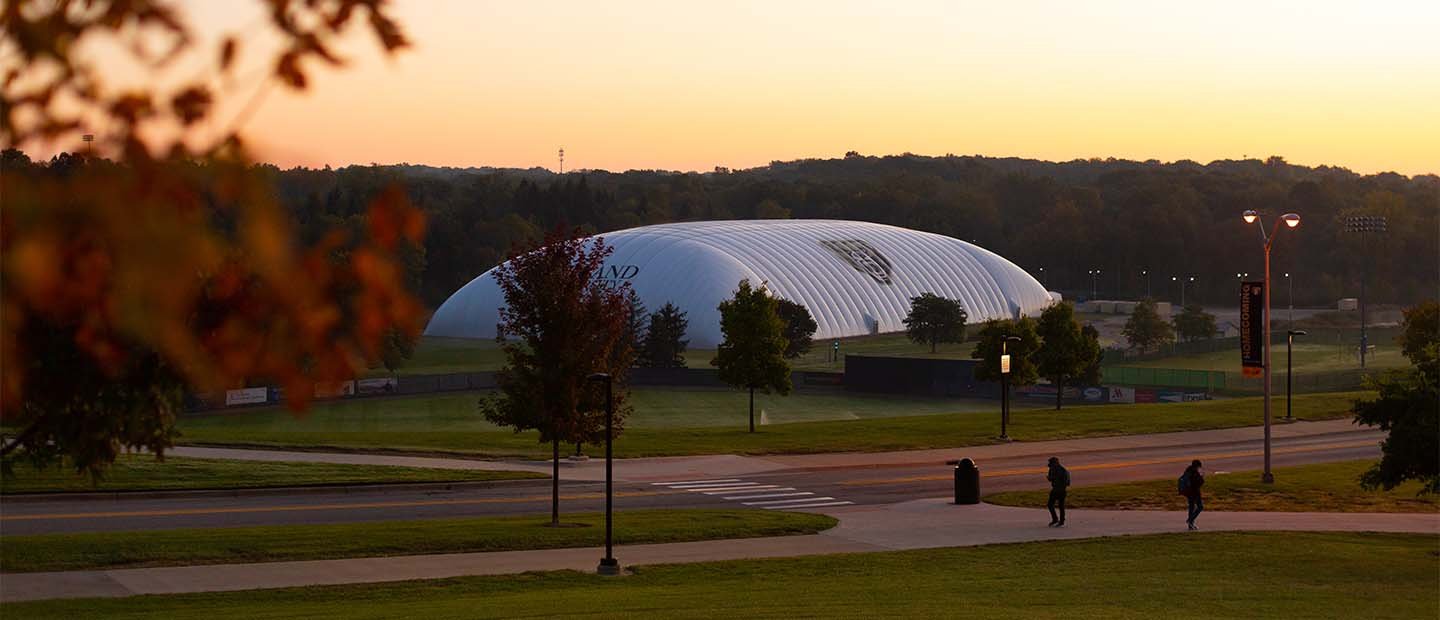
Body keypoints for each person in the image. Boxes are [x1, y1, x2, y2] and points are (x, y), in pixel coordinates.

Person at [1180, 459, 1205, 530]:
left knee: (1191, 507)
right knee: (1200, 507)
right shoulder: (1195, 472)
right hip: (1195, 492)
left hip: (1188, 492)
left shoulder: (1188, 470)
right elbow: (1200, 482)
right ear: (1197, 466)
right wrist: (1202, 476)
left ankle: (1190, 525)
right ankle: (1190, 520)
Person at [1046, 456, 1070, 527]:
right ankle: (1060, 520)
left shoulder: (1055, 469)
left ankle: (1056, 519)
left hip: (1057, 490)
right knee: (1060, 506)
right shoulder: (1063, 469)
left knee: (1051, 505)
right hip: (1062, 490)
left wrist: (1050, 478)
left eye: (1050, 462)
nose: (1049, 464)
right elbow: (1067, 481)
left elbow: (1052, 478)